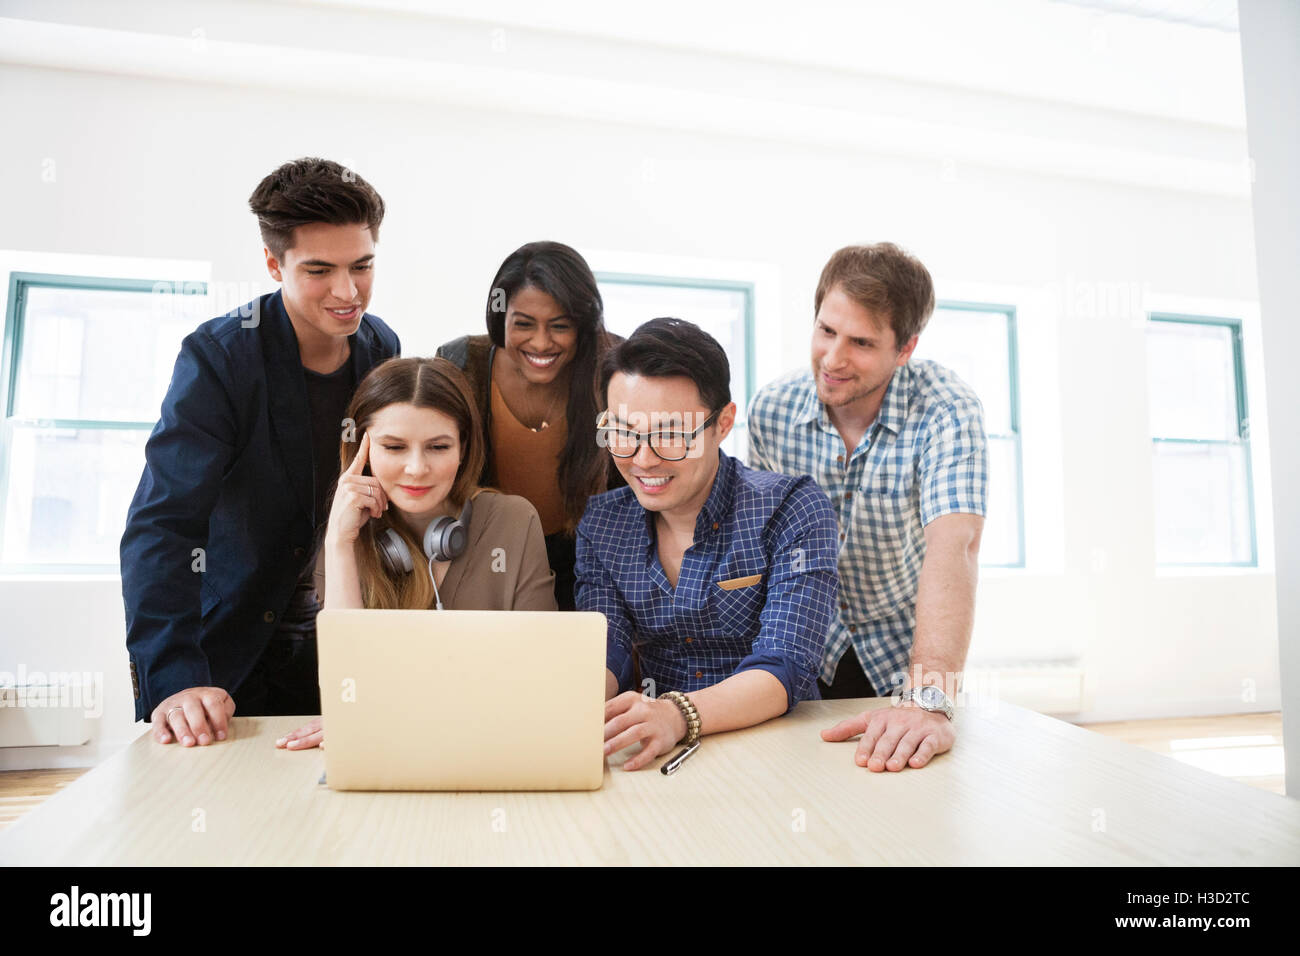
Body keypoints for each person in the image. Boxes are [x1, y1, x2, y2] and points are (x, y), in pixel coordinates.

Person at [121, 157, 400, 747]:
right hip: (227, 648)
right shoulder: (219, 356)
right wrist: (174, 677)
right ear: (274, 263)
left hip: (340, 645)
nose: (348, 292)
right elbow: (164, 524)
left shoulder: (383, 347)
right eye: (319, 270)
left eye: (362, 266)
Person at [747, 242, 987, 773]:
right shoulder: (772, 410)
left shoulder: (948, 410)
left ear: (905, 350)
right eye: (826, 331)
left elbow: (956, 547)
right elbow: (762, 546)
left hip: (905, 657)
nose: (833, 359)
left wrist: (928, 700)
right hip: (802, 642)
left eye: (860, 342)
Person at [576, 318, 839, 772]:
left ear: (723, 423)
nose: (643, 458)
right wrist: (566, 709)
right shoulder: (602, 523)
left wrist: (677, 714)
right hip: (658, 751)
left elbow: (786, 665)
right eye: (622, 431)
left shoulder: (792, 506)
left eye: (672, 435)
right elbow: (608, 648)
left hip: (778, 752)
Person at [276, 357, 557, 750]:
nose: (416, 468)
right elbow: (348, 697)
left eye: (438, 447)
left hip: (491, 750)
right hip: (389, 755)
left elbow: (539, 681)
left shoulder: (512, 520)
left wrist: (396, 716)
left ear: (464, 448)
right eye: (393, 447)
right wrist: (341, 545)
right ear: (362, 450)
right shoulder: (345, 534)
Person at [436, 241, 621, 611]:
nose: (540, 342)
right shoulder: (459, 365)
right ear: (500, 317)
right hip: (486, 555)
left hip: (594, 563)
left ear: (582, 326)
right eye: (523, 324)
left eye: (559, 326)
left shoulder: (614, 367)